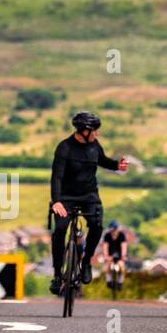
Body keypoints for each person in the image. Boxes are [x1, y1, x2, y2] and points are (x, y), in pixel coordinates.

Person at [50, 111, 129, 295]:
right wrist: (57, 201)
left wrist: (117, 165)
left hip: (89, 196)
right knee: (60, 229)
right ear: (84, 131)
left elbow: (102, 160)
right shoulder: (64, 148)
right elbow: (57, 178)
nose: (97, 134)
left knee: (97, 224)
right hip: (66, 197)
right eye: (95, 131)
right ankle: (56, 274)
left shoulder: (94, 145)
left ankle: (85, 263)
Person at [101, 220, 129, 288]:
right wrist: (106, 256)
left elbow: (123, 247)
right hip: (110, 255)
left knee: (121, 267)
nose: (113, 232)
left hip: (119, 255)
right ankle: (109, 280)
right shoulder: (107, 236)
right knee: (108, 266)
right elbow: (105, 247)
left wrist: (123, 256)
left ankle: (120, 281)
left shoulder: (122, 235)